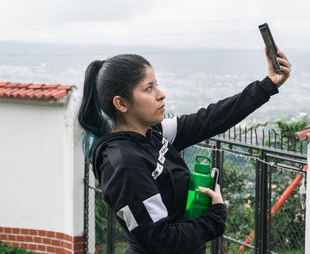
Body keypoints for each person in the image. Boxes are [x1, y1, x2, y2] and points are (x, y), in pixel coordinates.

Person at [78, 48, 291, 254]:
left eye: (157, 85)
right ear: (121, 103)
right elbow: (161, 240)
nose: (161, 95)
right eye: (148, 88)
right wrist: (215, 218)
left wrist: (267, 86)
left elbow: (210, 119)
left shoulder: (152, 134)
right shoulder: (124, 165)